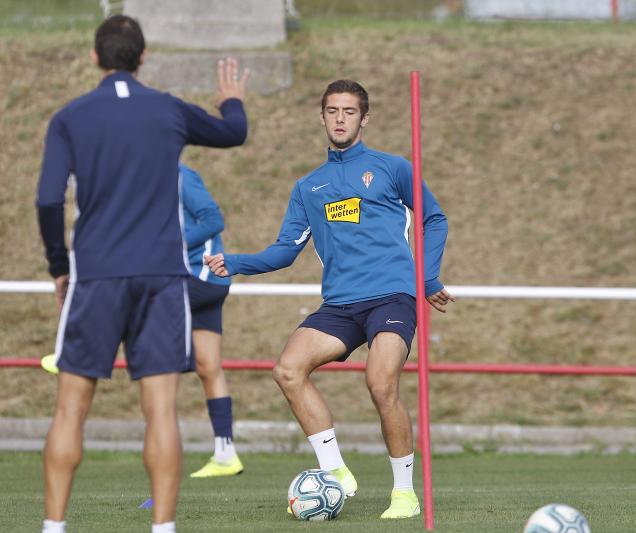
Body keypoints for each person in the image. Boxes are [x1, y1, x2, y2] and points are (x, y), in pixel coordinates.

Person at [205, 79, 455, 520]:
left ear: (364, 118)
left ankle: (403, 493)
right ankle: (335, 471)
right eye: (333, 111)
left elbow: (433, 218)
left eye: (349, 111)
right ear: (322, 117)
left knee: (380, 384)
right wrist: (238, 261)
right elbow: (286, 251)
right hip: (340, 304)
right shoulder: (309, 187)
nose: (341, 119)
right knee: (287, 369)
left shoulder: (392, 168)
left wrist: (427, 276)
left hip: (392, 298)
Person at [36, 15, 248, 533]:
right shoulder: (168, 109)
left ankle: (53, 527)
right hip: (160, 279)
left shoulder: (71, 117)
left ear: (95, 57)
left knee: (70, 411)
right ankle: (163, 528)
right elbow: (233, 133)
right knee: (160, 410)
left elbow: (47, 199)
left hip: (98, 277)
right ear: (144, 56)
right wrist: (231, 101)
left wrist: (60, 268)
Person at [180, 163, 243, 478]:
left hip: (197, 278)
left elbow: (213, 219)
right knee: (208, 366)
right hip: (207, 283)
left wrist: (169, 240)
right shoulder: (141, 174)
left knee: (156, 360)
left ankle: (81, 350)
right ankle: (225, 454)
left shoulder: (180, 175)